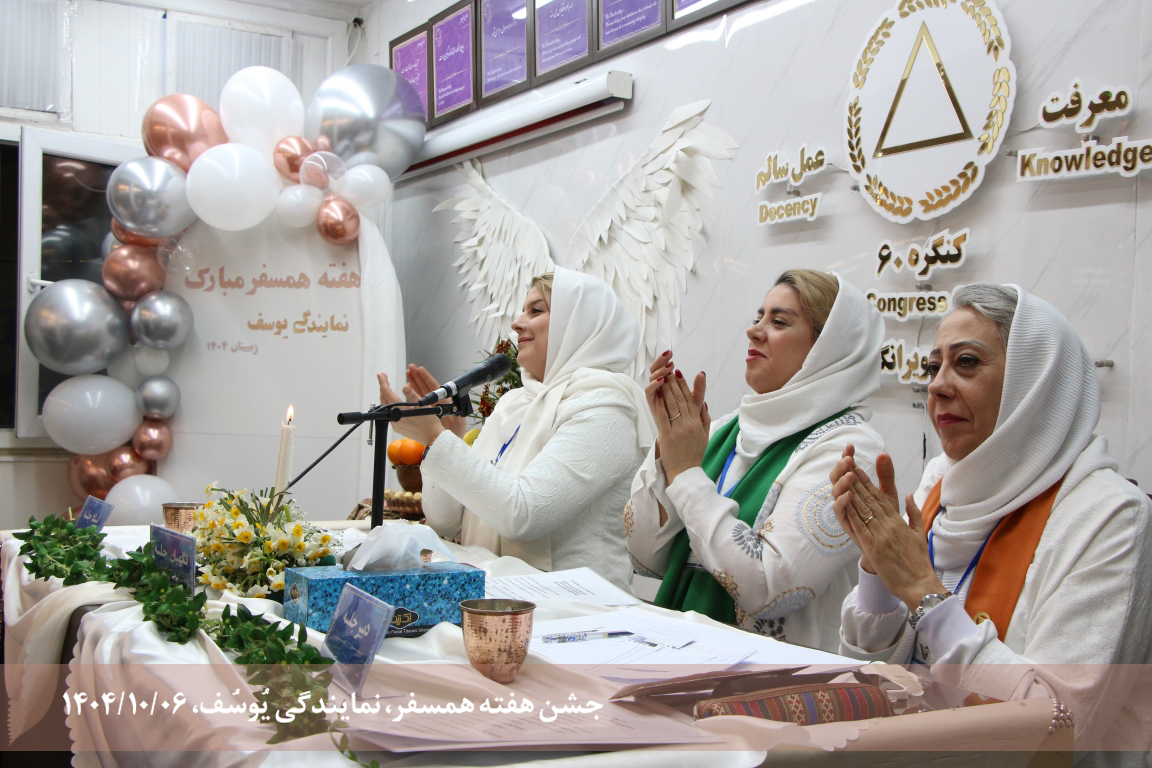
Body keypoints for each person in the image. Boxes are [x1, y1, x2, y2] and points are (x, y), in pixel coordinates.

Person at [833, 284, 1151, 756]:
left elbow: (1059, 729)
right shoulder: (943, 482)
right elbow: (871, 677)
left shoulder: (1108, 514)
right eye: (933, 366)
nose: (937, 385)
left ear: (1034, 382)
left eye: (966, 362)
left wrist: (923, 593)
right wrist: (879, 572)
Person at [626, 270, 885, 652]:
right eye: (758, 317)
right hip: (680, 655)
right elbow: (645, 557)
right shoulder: (724, 430)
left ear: (828, 347)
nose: (754, 331)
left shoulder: (848, 450)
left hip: (772, 678)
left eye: (779, 322)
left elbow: (771, 589)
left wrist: (685, 473)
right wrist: (669, 450)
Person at [378, 268, 653, 591]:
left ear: (578, 325)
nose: (517, 323)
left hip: (575, 608)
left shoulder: (605, 409)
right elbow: (447, 521)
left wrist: (434, 437)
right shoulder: (513, 404)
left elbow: (522, 515)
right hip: (496, 599)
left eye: (535, 310)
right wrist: (447, 436)